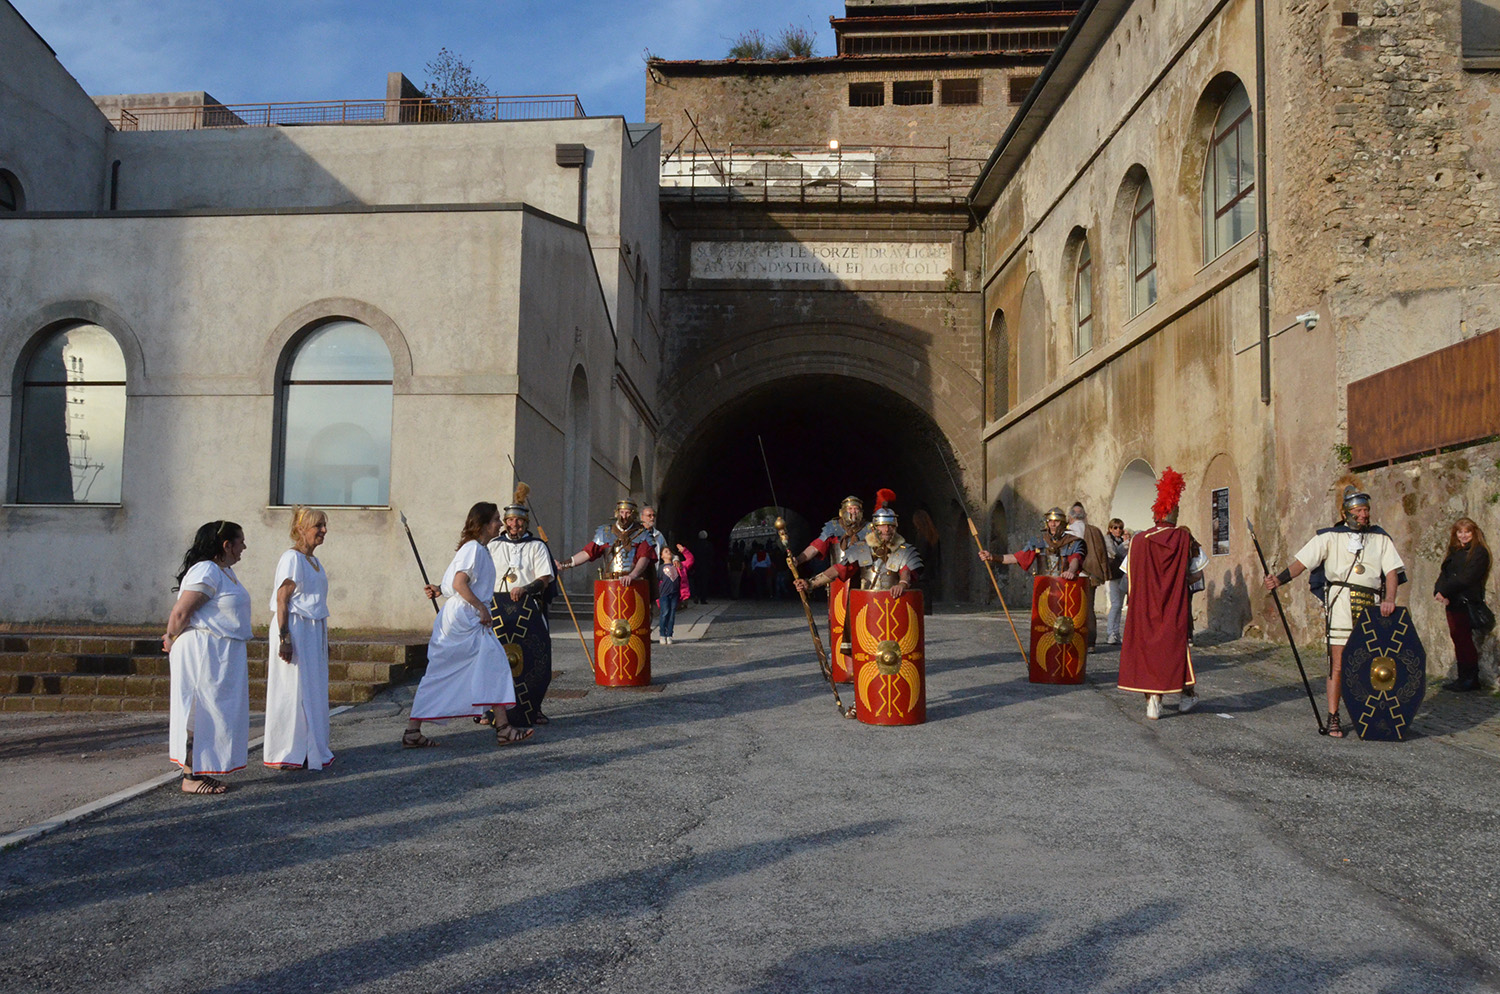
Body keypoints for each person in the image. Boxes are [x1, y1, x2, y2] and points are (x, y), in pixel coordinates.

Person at [1263, 485, 1405, 738]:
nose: (1364, 515)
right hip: (1340, 604)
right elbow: (1302, 563)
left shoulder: (1381, 538)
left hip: (1371, 605)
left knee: (1373, 664)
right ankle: (1333, 717)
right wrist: (1279, 580)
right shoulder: (1328, 537)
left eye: (1366, 510)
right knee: (1337, 665)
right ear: (1347, 512)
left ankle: (1370, 715)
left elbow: (1392, 572)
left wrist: (1390, 599)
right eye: (1359, 510)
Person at [405, 502, 533, 748]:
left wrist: (439, 589)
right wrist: (482, 608)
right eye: (496, 519)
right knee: (481, 666)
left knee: (477, 667)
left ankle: (413, 731)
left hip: (465, 616)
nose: (501, 523)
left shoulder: (477, 549)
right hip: (466, 619)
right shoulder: (473, 548)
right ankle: (504, 728)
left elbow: (458, 584)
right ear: (484, 524)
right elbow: (460, 583)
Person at [163, 520, 252, 795]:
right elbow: (181, 613)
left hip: (220, 652)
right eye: (240, 542)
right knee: (199, 710)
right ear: (226, 545)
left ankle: (200, 769)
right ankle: (190, 776)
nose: (244, 548)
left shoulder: (224, 572)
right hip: (203, 651)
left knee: (214, 713)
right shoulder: (207, 570)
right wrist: (170, 638)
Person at [1117, 469, 1202, 719]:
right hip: (1173, 605)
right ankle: (1185, 697)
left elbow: (1128, 573)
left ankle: (1153, 700)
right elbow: (1198, 571)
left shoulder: (1139, 541)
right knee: (1174, 651)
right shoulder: (1185, 539)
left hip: (1144, 607)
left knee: (1148, 653)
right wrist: (1179, 578)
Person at [264, 506, 333, 771]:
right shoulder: (291, 558)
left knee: (312, 687)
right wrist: (284, 637)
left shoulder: (314, 561)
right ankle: (286, 750)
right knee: (292, 689)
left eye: (324, 525)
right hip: (295, 627)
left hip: (312, 629)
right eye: (318, 526)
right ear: (302, 529)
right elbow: (283, 599)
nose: (324, 531)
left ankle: (308, 745)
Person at [486, 484, 556, 727]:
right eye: (510, 520)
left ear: (526, 523)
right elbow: (476, 575)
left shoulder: (536, 546)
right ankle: (490, 711)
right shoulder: (492, 545)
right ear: (505, 522)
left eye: (519, 521)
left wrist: (525, 589)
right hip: (497, 611)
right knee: (494, 660)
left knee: (535, 661)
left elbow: (545, 578)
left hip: (528, 610)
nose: (514, 525)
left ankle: (533, 708)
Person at [1434, 516, 1491, 692]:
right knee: (1457, 638)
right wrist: (1438, 591)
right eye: (1460, 532)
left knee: (1465, 639)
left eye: (1467, 531)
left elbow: (1467, 578)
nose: (1464, 535)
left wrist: (1445, 591)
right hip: (1452, 601)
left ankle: (1471, 678)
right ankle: (1462, 676)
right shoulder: (1455, 552)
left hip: (1467, 601)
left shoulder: (1479, 552)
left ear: (1474, 533)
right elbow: (1444, 574)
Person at [557, 498, 656, 584]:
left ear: (633, 514)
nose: (624, 516)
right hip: (610, 582)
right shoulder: (605, 532)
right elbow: (587, 553)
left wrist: (632, 575)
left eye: (627, 512)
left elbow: (644, 558)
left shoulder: (642, 534)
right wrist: (564, 564)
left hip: (633, 582)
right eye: (621, 512)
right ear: (617, 513)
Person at [979, 507, 1082, 577]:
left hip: (1067, 585)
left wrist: (1070, 572)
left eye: (1056, 521)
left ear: (1063, 524)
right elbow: (1017, 558)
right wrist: (992, 557)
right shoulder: (1039, 542)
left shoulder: (1072, 542)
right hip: (1045, 586)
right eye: (1050, 521)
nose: (1053, 524)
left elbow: (1075, 560)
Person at [1068, 503, 1109, 648]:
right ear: (1084, 516)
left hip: (1072, 575)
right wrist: (1104, 574)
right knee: (1089, 608)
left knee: (1071, 607)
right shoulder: (1095, 531)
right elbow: (1103, 553)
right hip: (1091, 576)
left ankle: (1072, 639)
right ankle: (1090, 642)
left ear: (1070, 517)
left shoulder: (1068, 532)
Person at [657, 544, 692, 644]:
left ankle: (669, 635)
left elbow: (690, 560)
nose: (668, 553)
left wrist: (684, 550)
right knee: (664, 613)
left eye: (669, 551)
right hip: (664, 594)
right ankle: (662, 634)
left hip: (675, 593)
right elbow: (658, 580)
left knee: (672, 614)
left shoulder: (678, 565)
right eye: (666, 552)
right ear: (661, 556)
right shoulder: (660, 568)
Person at [1104, 518, 1130, 644]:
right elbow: (1114, 553)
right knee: (1115, 604)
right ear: (1110, 529)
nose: (1118, 530)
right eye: (1115, 528)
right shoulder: (1108, 540)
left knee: (1119, 605)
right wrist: (1125, 544)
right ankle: (1111, 633)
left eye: (1120, 528)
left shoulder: (1122, 540)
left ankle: (1116, 632)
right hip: (1113, 575)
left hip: (1123, 575)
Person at [690, 530, 714, 603]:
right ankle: (703, 598)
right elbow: (711, 556)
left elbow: (692, 556)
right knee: (704, 582)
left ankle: (696, 596)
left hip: (696, 566)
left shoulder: (695, 545)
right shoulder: (708, 545)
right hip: (705, 567)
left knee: (697, 582)